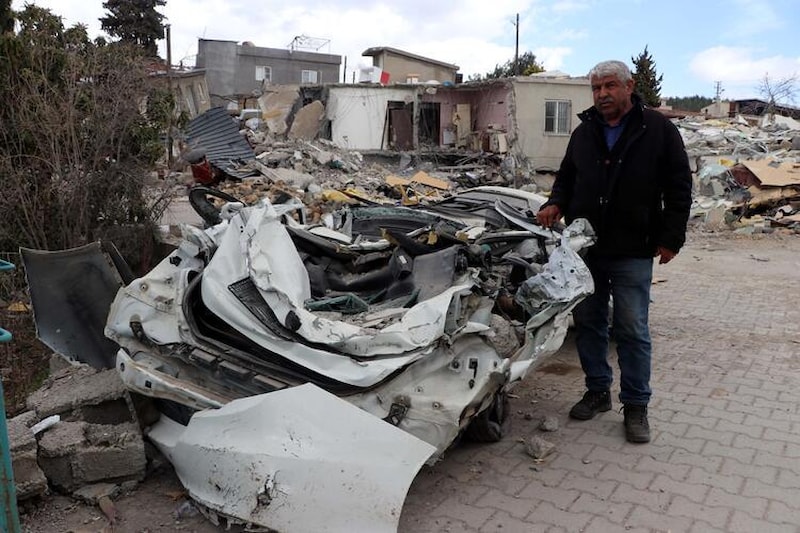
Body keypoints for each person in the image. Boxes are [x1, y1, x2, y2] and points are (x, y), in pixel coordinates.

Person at [536, 60, 692, 443]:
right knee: (589, 322)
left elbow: (678, 188)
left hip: (633, 247)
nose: (602, 94)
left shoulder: (658, 130)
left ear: (629, 86)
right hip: (586, 248)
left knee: (632, 328)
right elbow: (567, 177)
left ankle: (636, 405)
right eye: (596, 88)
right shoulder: (584, 131)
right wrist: (555, 202)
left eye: (609, 86)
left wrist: (671, 238)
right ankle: (597, 391)